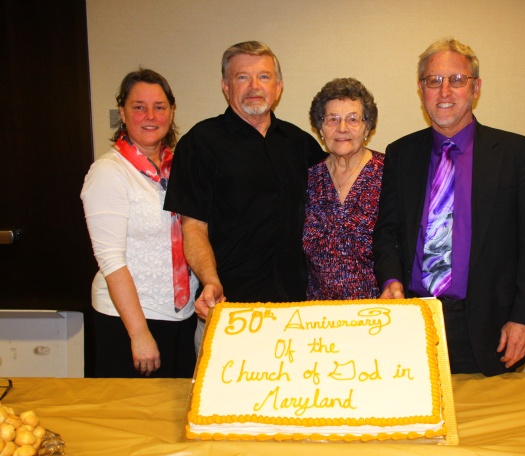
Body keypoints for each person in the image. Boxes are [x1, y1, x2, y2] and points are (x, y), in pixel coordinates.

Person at [373, 38, 525, 376]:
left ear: (476, 88)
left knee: (486, 425)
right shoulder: (401, 153)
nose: (444, 92)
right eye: (433, 81)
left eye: (456, 80)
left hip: (488, 326)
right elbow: (388, 230)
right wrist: (391, 277)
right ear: (420, 88)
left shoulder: (514, 153)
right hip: (415, 322)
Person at [163, 41, 326, 349]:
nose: (254, 86)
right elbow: (193, 227)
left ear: (278, 87)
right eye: (242, 77)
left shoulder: (300, 144)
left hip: (296, 313)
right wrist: (211, 281)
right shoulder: (200, 143)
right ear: (226, 87)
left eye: (263, 77)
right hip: (229, 311)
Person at [81, 68, 199, 378]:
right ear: (122, 111)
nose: (150, 115)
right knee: (131, 420)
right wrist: (139, 334)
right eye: (138, 107)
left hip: (181, 316)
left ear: (171, 112)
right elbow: (110, 260)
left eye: (159, 107)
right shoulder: (109, 172)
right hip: (130, 321)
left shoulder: (181, 166)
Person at [304, 78, 383, 300]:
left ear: (367, 127)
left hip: (377, 313)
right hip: (319, 316)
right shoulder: (308, 178)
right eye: (332, 119)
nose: (342, 128)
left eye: (353, 119)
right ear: (320, 127)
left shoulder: (387, 174)